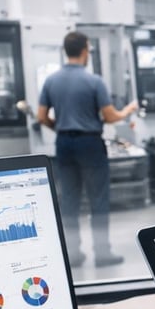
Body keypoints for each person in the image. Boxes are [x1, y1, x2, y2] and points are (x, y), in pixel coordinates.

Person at [37, 31, 137, 267]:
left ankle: (73, 254)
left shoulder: (51, 80)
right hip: (90, 143)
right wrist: (128, 111)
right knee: (98, 199)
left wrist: (60, 128)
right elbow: (110, 116)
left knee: (69, 200)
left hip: (64, 144)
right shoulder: (94, 81)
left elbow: (42, 116)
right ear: (84, 51)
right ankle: (102, 253)